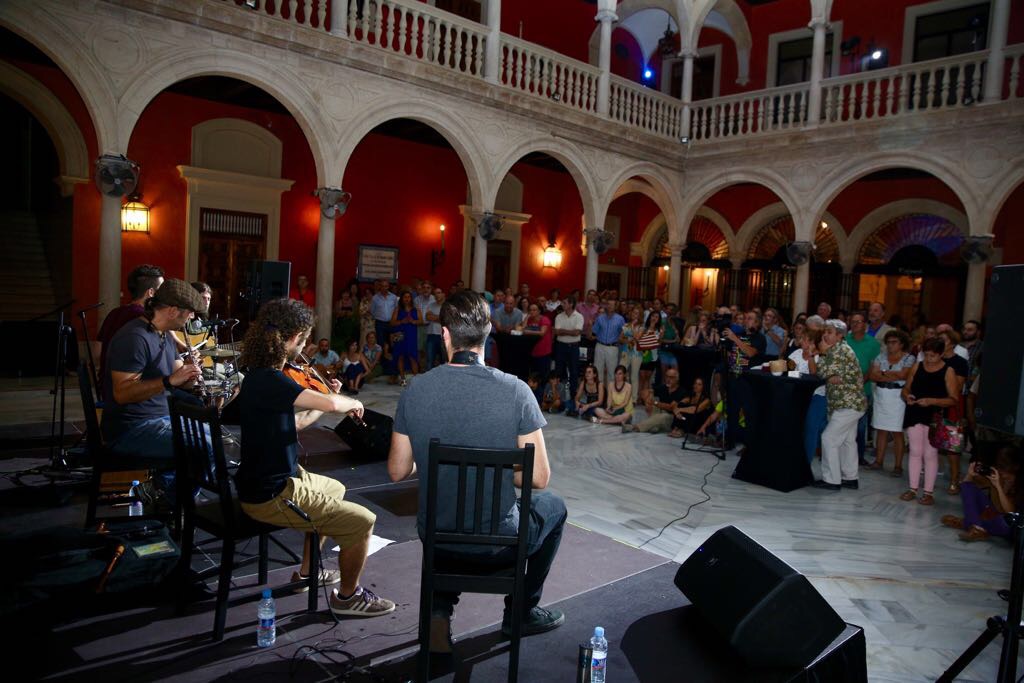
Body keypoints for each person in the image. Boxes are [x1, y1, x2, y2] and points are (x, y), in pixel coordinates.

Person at [386, 289, 566, 651]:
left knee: (451, 507)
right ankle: (522, 610)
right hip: (498, 545)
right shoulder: (516, 391)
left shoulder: (416, 390)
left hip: (438, 539)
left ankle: (439, 611)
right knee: (555, 508)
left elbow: (397, 470)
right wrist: (500, 468)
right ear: (488, 335)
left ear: (446, 335)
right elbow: (538, 478)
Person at [235, 298, 395, 618]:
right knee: (363, 520)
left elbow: (293, 423)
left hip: (269, 479)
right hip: (271, 493)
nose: (306, 345)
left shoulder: (258, 376)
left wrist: (321, 400)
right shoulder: (272, 380)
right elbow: (333, 407)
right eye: (305, 338)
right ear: (292, 338)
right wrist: (344, 400)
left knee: (333, 489)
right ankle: (348, 598)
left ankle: (308, 574)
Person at [101, 279, 204, 499]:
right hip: (130, 429)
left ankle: (159, 492)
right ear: (173, 310)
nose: (192, 317)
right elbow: (122, 393)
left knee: (216, 441)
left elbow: (181, 380)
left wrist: (190, 373)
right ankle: (168, 503)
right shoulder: (134, 337)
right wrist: (168, 381)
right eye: (190, 313)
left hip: (159, 420)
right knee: (204, 449)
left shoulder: (165, 334)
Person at [899, 337, 960, 506]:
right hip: (915, 411)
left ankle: (928, 492)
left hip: (935, 415)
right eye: (926, 355)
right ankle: (912, 488)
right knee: (915, 451)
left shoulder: (948, 371)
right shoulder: (917, 366)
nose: (928, 359)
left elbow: (954, 399)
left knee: (930, 453)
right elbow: (905, 389)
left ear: (941, 354)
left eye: (932, 356)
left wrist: (932, 401)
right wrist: (907, 396)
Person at [811, 319, 867, 491]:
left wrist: (822, 353)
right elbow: (829, 376)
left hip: (848, 403)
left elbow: (821, 372)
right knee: (848, 441)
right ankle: (850, 477)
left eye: (829, 332)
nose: (825, 335)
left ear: (840, 335)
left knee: (829, 438)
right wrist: (830, 375)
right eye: (825, 331)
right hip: (848, 403)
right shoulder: (837, 349)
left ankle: (832, 480)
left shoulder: (839, 351)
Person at [97, 264, 164, 394]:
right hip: (128, 391)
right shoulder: (144, 318)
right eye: (161, 290)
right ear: (151, 292)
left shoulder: (114, 313)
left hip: (106, 386)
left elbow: (97, 352)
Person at [942, 447, 1021, 542]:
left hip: (1008, 523)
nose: (1004, 475)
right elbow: (967, 487)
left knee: (1004, 522)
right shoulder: (997, 476)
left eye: (1007, 471)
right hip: (991, 514)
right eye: (1001, 469)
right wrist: (970, 474)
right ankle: (976, 527)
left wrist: (999, 488)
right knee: (967, 486)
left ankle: (968, 523)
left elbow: (1011, 514)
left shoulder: (1020, 484)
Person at [868, 330, 914, 475]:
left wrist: (882, 373)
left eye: (894, 342)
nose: (890, 345)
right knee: (881, 429)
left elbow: (904, 375)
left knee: (897, 431)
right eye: (888, 342)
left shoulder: (908, 358)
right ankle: (879, 461)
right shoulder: (881, 356)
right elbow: (872, 375)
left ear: (901, 344)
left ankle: (898, 465)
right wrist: (892, 375)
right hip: (881, 394)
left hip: (898, 396)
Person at [845, 311, 881, 463]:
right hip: (844, 388)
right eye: (853, 321)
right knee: (843, 424)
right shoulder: (844, 340)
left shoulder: (873, 343)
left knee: (860, 426)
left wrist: (860, 382)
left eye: (858, 322)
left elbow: (874, 366)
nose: (855, 324)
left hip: (863, 389)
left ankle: (858, 456)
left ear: (865, 324)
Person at [623, 367, 683, 434]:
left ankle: (634, 427)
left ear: (677, 379)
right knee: (651, 400)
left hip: (671, 418)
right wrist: (648, 398)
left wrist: (654, 402)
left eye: (671, 377)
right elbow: (643, 392)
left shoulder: (681, 391)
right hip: (660, 413)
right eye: (667, 376)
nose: (668, 379)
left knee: (662, 415)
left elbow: (671, 407)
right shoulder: (663, 387)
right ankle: (654, 427)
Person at [552, 298, 584, 415]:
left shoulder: (579, 316)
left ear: (571, 304)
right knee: (558, 371)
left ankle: (573, 399)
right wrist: (570, 331)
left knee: (574, 372)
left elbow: (577, 332)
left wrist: (563, 331)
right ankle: (558, 399)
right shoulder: (559, 316)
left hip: (573, 347)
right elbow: (557, 332)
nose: (562, 304)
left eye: (565, 303)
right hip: (560, 346)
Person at [591, 299, 626, 388]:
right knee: (598, 371)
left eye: (612, 304)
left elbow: (624, 334)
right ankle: (599, 394)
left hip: (612, 347)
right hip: (600, 346)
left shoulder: (620, 319)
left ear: (615, 307)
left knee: (612, 372)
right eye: (608, 304)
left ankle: (610, 396)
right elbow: (594, 331)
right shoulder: (600, 318)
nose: (609, 306)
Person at [389, 291, 421, 385]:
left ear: (411, 299)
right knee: (400, 356)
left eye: (408, 297)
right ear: (402, 299)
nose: (407, 299)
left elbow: (421, 321)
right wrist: (401, 321)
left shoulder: (416, 310)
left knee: (413, 357)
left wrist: (413, 321)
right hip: (401, 336)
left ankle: (416, 380)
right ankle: (403, 379)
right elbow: (392, 323)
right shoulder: (397, 310)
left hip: (411, 336)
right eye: (405, 297)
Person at [371, 279, 399, 378]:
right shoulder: (375, 298)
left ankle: (392, 369)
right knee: (381, 345)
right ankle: (384, 368)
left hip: (391, 324)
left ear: (389, 287)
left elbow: (396, 310)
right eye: (382, 286)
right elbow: (373, 312)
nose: (384, 288)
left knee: (392, 345)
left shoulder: (394, 297)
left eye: (386, 286)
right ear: (380, 287)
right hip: (380, 324)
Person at [619, 307, 644, 402]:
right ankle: (621, 395)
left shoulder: (642, 326)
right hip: (626, 351)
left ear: (640, 315)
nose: (634, 314)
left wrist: (632, 326)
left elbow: (637, 337)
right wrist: (627, 340)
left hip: (637, 353)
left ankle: (634, 399)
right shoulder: (626, 325)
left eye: (637, 313)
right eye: (633, 312)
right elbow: (620, 339)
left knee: (634, 376)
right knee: (621, 372)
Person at [522, 303, 553, 378]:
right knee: (533, 375)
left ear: (539, 311)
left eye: (534, 310)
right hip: (533, 351)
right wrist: (526, 318)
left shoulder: (544, 319)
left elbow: (542, 333)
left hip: (544, 352)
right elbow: (523, 329)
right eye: (530, 310)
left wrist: (528, 332)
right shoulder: (529, 319)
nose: (532, 312)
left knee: (543, 375)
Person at [636, 311, 662, 399]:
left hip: (653, 357)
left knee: (647, 378)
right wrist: (650, 327)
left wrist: (660, 336)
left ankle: (645, 398)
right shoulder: (644, 328)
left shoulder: (659, 330)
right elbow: (638, 339)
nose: (654, 318)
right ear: (650, 317)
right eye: (653, 316)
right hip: (643, 356)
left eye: (657, 317)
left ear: (659, 320)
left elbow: (658, 343)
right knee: (641, 377)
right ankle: (638, 397)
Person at [424, 287, 446, 370]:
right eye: (435, 293)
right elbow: (427, 317)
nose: (437, 295)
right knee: (430, 360)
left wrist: (434, 316)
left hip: (443, 337)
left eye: (439, 292)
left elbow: (445, 320)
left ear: (443, 294)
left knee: (443, 360)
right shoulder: (431, 305)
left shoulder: (447, 306)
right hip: (431, 335)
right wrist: (440, 318)